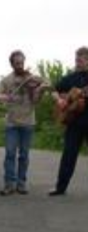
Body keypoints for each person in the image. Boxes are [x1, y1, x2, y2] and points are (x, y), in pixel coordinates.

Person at [0, 50, 49, 195]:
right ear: (12, 64)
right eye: (17, 63)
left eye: (22, 62)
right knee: (10, 153)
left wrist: (39, 89)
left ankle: (21, 183)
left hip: (28, 122)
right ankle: (9, 184)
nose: (20, 65)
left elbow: (38, 97)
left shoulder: (32, 78)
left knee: (24, 155)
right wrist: (6, 97)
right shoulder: (7, 80)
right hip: (12, 122)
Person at [49, 47, 88, 196]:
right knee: (68, 156)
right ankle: (60, 188)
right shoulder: (70, 77)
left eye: (80, 59)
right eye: (76, 59)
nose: (77, 62)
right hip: (73, 123)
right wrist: (59, 100)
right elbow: (54, 89)